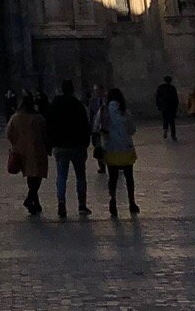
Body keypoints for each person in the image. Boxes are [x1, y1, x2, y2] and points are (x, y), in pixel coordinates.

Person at [47, 79, 93, 218]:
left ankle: (61, 202)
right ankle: (82, 205)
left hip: (60, 146)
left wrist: (51, 143)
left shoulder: (54, 105)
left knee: (61, 176)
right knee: (80, 176)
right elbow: (86, 125)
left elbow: (49, 124)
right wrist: (86, 143)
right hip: (77, 145)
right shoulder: (78, 105)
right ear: (72, 90)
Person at [6, 93, 51, 215]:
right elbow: (45, 133)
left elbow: (9, 133)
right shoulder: (38, 118)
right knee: (37, 176)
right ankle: (30, 198)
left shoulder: (15, 118)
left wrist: (16, 144)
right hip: (37, 150)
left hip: (21, 152)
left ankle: (35, 203)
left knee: (30, 176)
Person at [98, 87, 140, 215]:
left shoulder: (103, 111)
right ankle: (131, 202)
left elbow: (96, 127)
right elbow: (132, 130)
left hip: (110, 148)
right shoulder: (125, 112)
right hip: (126, 148)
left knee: (113, 177)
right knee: (129, 177)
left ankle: (113, 200)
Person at [155, 76, 181, 141]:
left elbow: (157, 98)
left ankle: (165, 129)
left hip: (163, 107)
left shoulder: (160, 88)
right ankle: (173, 135)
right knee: (172, 122)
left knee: (165, 119)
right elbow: (176, 99)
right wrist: (176, 107)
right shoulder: (172, 88)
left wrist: (158, 106)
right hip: (171, 107)